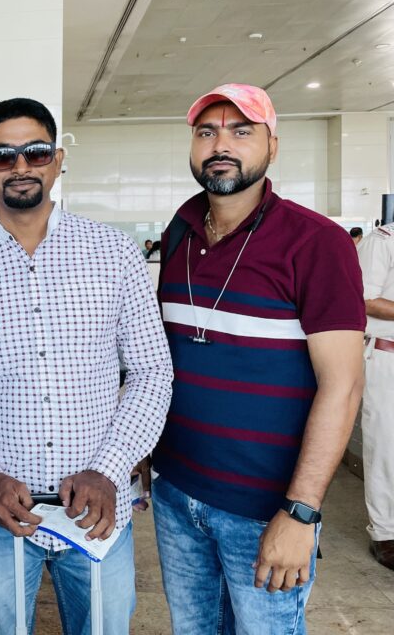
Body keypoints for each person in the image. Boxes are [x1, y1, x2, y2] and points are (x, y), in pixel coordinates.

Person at [0, 97, 173, 635]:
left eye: (35, 152)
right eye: (3, 156)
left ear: (57, 161)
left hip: (96, 511)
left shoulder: (114, 253)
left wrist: (109, 470)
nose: (20, 166)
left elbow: (153, 371)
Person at [155, 84, 365, 633]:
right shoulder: (179, 233)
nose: (221, 145)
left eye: (241, 131)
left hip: (265, 507)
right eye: (207, 132)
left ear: (272, 146)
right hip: (176, 492)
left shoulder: (317, 242)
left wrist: (301, 511)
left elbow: (343, 385)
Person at [354, 224, 394, 570]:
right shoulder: (383, 241)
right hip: (386, 354)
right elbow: (364, 299)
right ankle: (385, 533)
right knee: (385, 447)